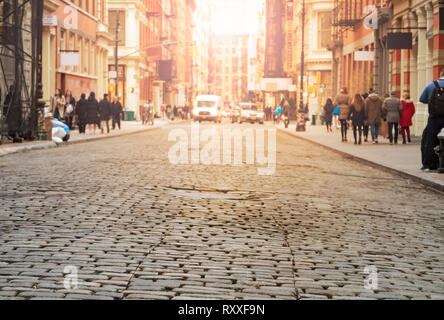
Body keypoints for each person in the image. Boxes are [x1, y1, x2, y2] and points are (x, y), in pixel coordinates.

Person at [419, 68, 444, 171]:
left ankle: (429, 164)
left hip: (434, 118)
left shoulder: (431, 85)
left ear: (440, 74)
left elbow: (422, 99)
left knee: (430, 140)